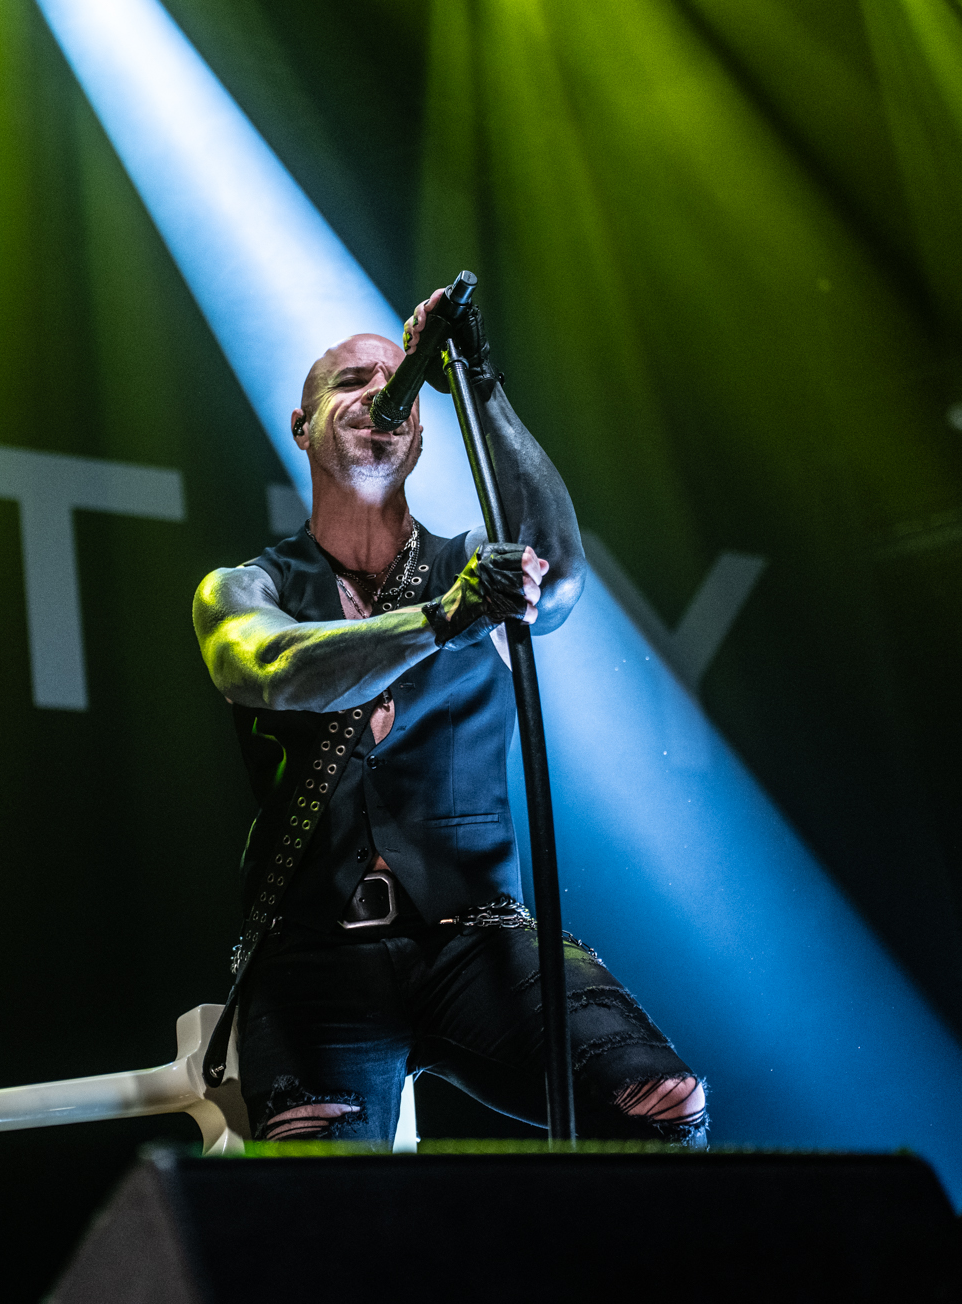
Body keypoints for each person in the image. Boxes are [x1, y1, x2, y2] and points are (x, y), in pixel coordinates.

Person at [191, 286, 707, 1146]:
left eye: (395, 383)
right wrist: (439, 619)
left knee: (663, 1100)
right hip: (314, 953)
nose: (380, 395)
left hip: (475, 939)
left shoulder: (471, 563)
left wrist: (477, 378)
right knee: (317, 1201)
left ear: (422, 433)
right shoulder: (247, 587)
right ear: (301, 425)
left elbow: (558, 578)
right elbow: (271, 667)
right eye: (351, 382)